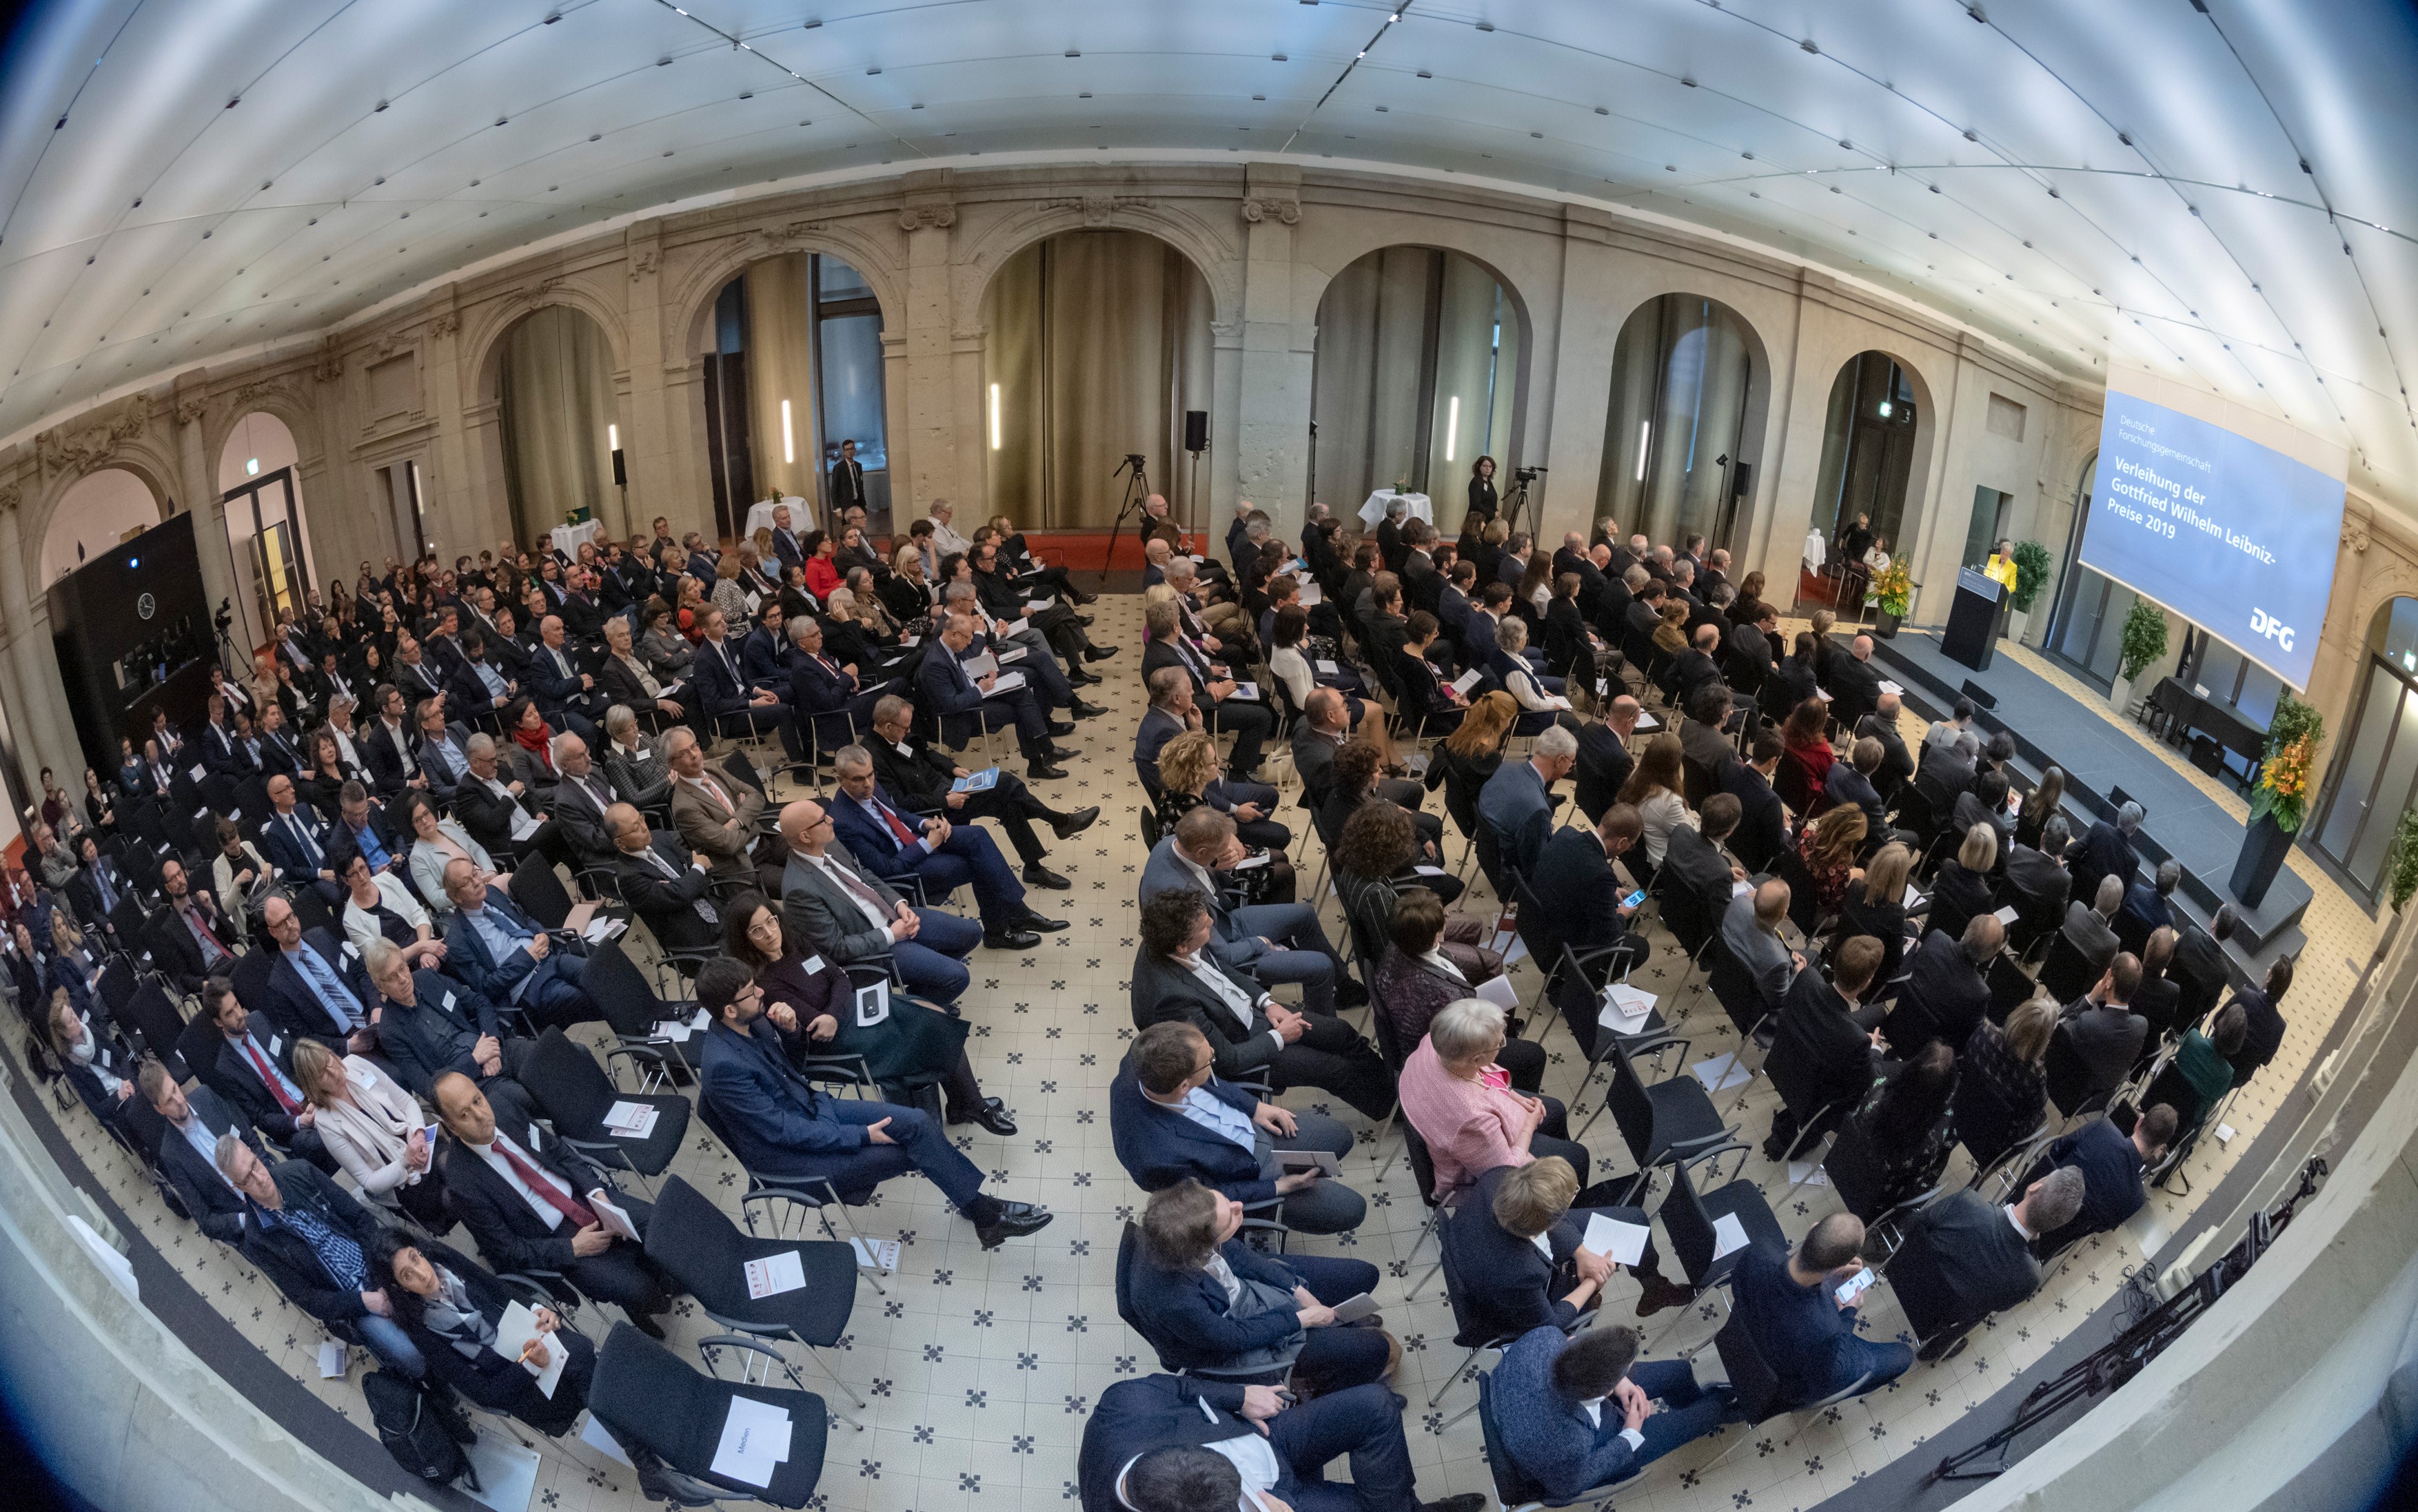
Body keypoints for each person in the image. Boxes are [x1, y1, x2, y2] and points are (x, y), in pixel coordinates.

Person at [692, 959, 1053, 1249]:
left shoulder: (753, 1022)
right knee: (910, 1149)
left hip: (814, 1111)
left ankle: (985, 1216)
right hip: (792, 1156)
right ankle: (986, 1215)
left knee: (916, 1123)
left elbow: (793, 1071)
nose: (761, 992)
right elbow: (782, 1131)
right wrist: (861, 1136)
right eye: (750, 993)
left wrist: (790, 1034)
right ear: (729, 1010)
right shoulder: (724, 1066)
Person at [723, 892, 1010, 1134]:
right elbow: (815, 1020)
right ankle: (971, 1104)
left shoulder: (794, 941)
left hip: (850, 1011)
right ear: (745, 938)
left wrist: (835, 1007)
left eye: (771, 921)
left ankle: (965, 1103)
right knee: (929, 1027)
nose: (770, 933)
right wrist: (837, 1006)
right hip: (834, 1040)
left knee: (936, 1016)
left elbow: (838, 976)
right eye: (757, 930)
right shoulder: (764, 982)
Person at [431, 1072, 680, 1334]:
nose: (482, 1116)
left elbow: (559, 1152)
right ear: (452, 1127)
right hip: (554, 1239)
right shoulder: (462, 1184)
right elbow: (507, 1250)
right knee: (637, 1289)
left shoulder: (503, 1107)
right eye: (464, 1115)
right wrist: (572, 1248)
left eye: (478, 1100)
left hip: (581, 1197)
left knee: (658, 1226)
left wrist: (597, 1194)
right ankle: (647, 1305)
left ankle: (662, 1279)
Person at [1129, 888, 1394, 1121]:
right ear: (1182, 945)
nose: (1211, 922)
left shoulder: (1174, 941)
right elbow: (1227, 1060)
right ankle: (1393, 1110)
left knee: (1340, 1032)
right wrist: (1279, 1036)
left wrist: (1267, 1002)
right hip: (1245, 1044)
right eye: (1205, 926)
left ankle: (1394, 1085)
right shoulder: (1171, 1001)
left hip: (1255, 1013)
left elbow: (1221, 972)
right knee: (1334, 1069)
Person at [1075, 1374, 1486, 1512]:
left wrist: (1239, 1397)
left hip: (1268, 1439)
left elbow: (1179, 1386)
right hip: (1282, 1499)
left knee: (1374, 1404)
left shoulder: (1126, 1404)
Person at [1131, 1181, 1392, 1395]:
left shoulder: (1190, 1223)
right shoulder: (1177, 1302)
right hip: (1235, 1330)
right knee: (1376, 1349)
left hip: (1243, 1293)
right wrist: (1301, 1319)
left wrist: (1295, 1289)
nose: (1238, 1206)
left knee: (1364, 1275)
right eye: (1230, 1216)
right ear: (1202, 1247)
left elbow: (1238, 1255)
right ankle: (1327, 1389)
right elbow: (1234, 1337)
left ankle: (1338, 1329)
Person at [1110, 1020, 1363, 1234]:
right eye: (1210, 1060)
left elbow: (1211, 1080)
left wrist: (1254, 1107)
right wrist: (1280, 1187)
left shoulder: (1145, 1050)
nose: (1213, 1056)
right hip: (1248, 1175)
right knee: (1352, 1209)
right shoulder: (1156, 1159)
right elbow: (1209, 1197)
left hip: (1255, 1129)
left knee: (1341, 1137)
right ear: (1185, 1086)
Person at [216, 1134, 426, 1376]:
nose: (260, 1178)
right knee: (410, 1354)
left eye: (255, 1164)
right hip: (352, 1301)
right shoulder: (258, 1240)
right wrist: (365, 1301)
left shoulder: (300, 1172)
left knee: (428, 1297)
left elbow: (360, 1219)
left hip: (375, 1261)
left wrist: (379, 1277)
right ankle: (433, 1386)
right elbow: (307, 1298)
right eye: (247, 1179)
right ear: (237, 1187)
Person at [829, 744, 1062, 948]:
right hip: (907, 867)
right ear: (841, 780)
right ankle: (1003, 927)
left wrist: (924, 823)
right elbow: (888, 870)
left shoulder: (871, 785)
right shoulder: (844, 822)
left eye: (870, 775)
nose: (868, 784)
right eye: (858, 779)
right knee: (979, 863)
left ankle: (1014, 916)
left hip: (917, 841)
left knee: (978, 836)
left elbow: (896, 813)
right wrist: (927, 844)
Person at [369, 1232, 595, 1438]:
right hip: (507, 1379)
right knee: (576, 1373)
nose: (423, 1274)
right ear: (402, 1287)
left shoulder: (443, 1258)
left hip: (517, 1335)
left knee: (581, 1352)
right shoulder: (419, 1329)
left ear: (419, 1251)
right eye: (408, 1275)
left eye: (415, 1258)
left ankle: (614, 1416)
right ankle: (613, 1415)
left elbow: (495, 1287)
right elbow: (483, 1392)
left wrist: (535, 1308)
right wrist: (529, 1366)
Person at [864, 693, 1096, 889]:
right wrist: (945, 801)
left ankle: (1037, 862)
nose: (908, 731)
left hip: (948, 787)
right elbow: (902, 804)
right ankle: (1058, 822)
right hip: (936, 810)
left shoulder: (897, 736)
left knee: (1009, 803)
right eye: (905, 728)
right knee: (1004, 782)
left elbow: (927, 755)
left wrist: (952, 767)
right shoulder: (873, 759)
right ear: (888, 727)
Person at [1142, 807, 1357, 1014]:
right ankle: (1327, 1032)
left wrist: (1218, 865)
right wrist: (1260, 942)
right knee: (1320, 967)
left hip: (1225, 921)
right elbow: (1223, 955)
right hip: (1225, 952)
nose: (1225, 852)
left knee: (1305, 915)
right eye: (1220, 851)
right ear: (1202, 852)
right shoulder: (1183, 896)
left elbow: (1202, 873)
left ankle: (1345, 985)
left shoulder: (1172, 842)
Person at [775, 797, 987, 1004]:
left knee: (972, 933)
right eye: (823, 820)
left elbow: (864, 875)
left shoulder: (829, 843)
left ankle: (921, 994)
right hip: (877, 947)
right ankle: (920, 1011)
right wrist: (891, 934)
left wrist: (898, 903)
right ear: (805, 837)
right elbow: (837, 948)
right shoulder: (799, 890)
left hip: (893, 915)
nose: (831, 820)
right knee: (958, 977)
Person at [1400, 996, 1612, 1199]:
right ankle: (1567, 1209)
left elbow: (1480, 1076)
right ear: (1476, 1059)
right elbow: (1506, 1172)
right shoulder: (1472, 1118)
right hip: (1482, 1171)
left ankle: (1552, 1147)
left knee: (1554, 1109)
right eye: (1499, 1043)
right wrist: (1529, 1125)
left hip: (1450, 1113)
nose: (1503, 1043)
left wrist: (1510, 1094)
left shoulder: (1436, 1041)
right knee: (1577, 1157)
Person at [1452, 1157, 1690, 1337]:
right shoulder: (1523, 1273)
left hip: (1498, 1232)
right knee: (1580, 1296)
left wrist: (1582, 1253)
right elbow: (1551, 1323)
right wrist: (1594, 1281)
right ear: (1548, 1222)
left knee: (1635, 1220)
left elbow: (1542, 1210)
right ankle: (1587, 1306)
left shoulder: (1499, 1177)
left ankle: (1655, 1286)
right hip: (1507, 1299)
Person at [1491, 1322, 1732, 1499]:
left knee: (1678, 1371)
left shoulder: (1544, 1337)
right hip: (1587, 1445)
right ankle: (1725, 1405)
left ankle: (1690, 1403)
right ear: (1604, 1393)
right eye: (1626, 1370)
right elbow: (1568, 1486)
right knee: (1709, 1413)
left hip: (1538, 1396)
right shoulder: (1568, 1442)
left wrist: (1621, 1382)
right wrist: (1630, 1434)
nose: (1630, 1371)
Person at [1891, 1168, 2086, 1358]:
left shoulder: (1968, 1202)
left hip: (1900, 1271)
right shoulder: (2030, 1277)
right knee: (1981, 1310)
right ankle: (1936, 1348)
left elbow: (1915, 1223)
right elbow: (2000, 1307)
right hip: (1935, 1319)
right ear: (2054, 1226)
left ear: (2035, 1186)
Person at [1730, 1214, 1913, 1409]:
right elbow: (1823, 1382)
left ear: (1812, 1229)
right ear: (1838, 1268)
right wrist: (1849, 1312)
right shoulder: (1827, 1331)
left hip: (1742, 1340)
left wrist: (1830, 1275)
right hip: (1787, 1384)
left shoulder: (1760, 1251)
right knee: (1903, 1355)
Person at [289, 1036, 449, 1232]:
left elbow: (406, 1102)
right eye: (322, 1073)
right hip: (401, 1180)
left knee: (455, 1166)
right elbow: (368, 1182)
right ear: (313, 1085)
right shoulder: (326, 1123)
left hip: (420, 1142)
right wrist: (406, 1161)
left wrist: (418, 1134)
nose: (333, 1072)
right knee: (452, 1195)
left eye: (328, 1060)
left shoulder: (355, 1064)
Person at [439, 859, 602, 1030]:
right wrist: (527, 959)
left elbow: (524, 919)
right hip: (529, 988)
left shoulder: (493, 893)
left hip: (550, 959)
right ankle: (632, 1030)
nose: (477, 882)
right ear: (456, 897)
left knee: (602, 975)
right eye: (467, 882)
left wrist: (542, 934)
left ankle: (632, 1030)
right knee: (589, 999)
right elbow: (486, 988)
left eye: (475, 873)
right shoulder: (458, 942)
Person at [1761, 935, 1887, 1158]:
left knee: (1877, 1012)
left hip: (1782, 1063)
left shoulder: (1807, 977)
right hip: (1814, 1099)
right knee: (1881, 1018)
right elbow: (1868, 1083)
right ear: (1867, 982)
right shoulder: (1857, 1041)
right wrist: (1875, 1050)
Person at [139, 1057, 263, 1245]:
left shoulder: (206, 1096)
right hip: (243, 1218)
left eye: (174, 1089)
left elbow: (250, 1138)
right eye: (169, 1101)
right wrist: (244, 1220)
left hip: (262, 1180)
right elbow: (205, 1220)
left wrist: (269, 1171)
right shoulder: (170, 1153)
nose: (179, 1100)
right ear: (159, 1109)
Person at [2024, 1105, 2176, 1254]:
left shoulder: (2103, 1128)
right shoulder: (2136, 1199)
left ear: (2139, 1123)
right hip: (2047, 1243)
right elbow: (2100, 1228)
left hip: (2026, 1202)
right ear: (2159, 1148)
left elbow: (2057, 1149)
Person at [1847, 1042, 1959, 1212]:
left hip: (1847, 1165)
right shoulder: (1935, 1136)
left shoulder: (1879, 1087)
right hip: (1880, 1201)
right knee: (1950, 1142)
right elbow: (1921, 1175)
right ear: (1947, 1091)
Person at [1881, 915, 2004, 1054]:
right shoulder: (1980, 993)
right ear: (1992, 955)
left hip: (1897, 1022)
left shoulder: (1936, 938)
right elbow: (1967, 1040)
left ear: (1967, 929)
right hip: (1927, 1055)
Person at [1958, 999, 2055, 1169]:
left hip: (1959, 1108)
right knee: (2041, 1119)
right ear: (2044, 1040)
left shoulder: (1984, 1031)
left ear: (2017, 1014)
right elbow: (2036, 1109)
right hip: (1990, 1141)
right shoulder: (2036, 1076)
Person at [1479, 724, 1574, 881]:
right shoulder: (1538, 810)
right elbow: (1535, 864)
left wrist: (1546, 830)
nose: (1571, 767)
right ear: (1560, 760)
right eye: (1572, 762)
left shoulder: (1505, 767)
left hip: (1488, 854)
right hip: (1511, 872)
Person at [2061, 953, 2149, 1099]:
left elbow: (2061, 1030)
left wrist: (2090, 998)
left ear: (2109, 978)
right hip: (2098, 1098)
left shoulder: (2088, 1022)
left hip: (2068, 1089)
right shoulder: (2141, 1025)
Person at [1832, 841, 1914, 989]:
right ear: (1901, 878)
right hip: (1866, 977)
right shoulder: (1896, 913)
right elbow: (1896, 961)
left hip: (1839, 956)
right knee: (1913, 933)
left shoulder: (1855, 886)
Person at [1721, 879, 1801, 1014]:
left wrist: (1786, 950)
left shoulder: (1738, 903)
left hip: (1723, 976)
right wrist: (1798, 974)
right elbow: (1780, 1001)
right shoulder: (1779, 962)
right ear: (1783, 914)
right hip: (1751, 1008)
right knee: (1812, 960)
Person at [2227, 954, 2294, 1079]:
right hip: (2237, 1076)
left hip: (2219, 1053)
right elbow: (2266, 1060)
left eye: (2269, 969)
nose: (2267, 970)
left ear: (2269, 978)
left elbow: (2216, 1020)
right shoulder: (2280, 1026)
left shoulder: (2245, 995)